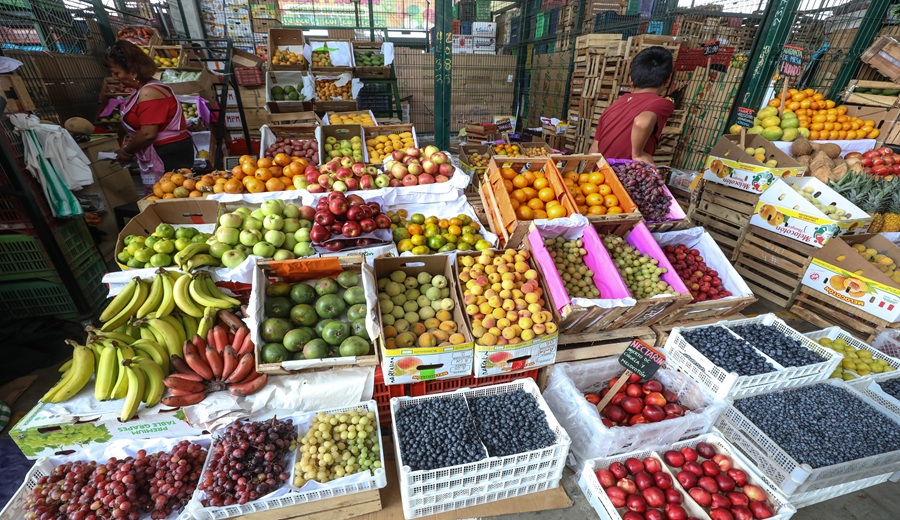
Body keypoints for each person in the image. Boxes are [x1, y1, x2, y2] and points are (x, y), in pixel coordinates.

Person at [103, 40, 194, 186]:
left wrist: (127, 151)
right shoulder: (141, 90)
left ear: (133, 72)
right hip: (166, 151)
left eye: (116, 73)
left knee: (170, 194)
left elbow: (147, 134)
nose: (115, 78)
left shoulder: (149, 92)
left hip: (168, 153)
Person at [589, 46, 675, 165]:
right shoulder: (661, 103)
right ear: (668, 80)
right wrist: (638, 154)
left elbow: (595, 148)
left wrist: (586, 175)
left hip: (599, 177)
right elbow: (641, 122)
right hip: (624, 177)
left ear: (630, 80)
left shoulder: (615, 105)